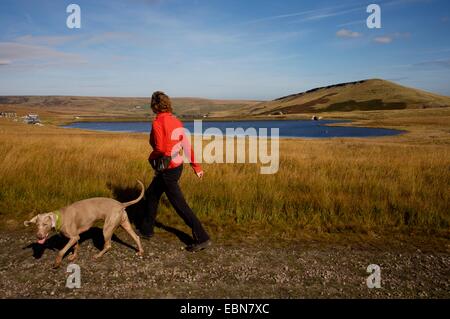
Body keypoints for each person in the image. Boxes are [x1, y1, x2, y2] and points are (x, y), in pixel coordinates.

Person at [139, 91, 211, 252]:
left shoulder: (158, 122)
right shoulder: (176, 121)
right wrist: (196, 167)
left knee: (179, 204)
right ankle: (146, 230)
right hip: (176, 166)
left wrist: (152, 158)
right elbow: (186, 146)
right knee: (152, 194)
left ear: (154, 106)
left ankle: (202, 237)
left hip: (167, 169)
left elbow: (160, 148)